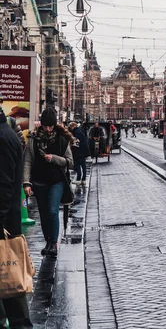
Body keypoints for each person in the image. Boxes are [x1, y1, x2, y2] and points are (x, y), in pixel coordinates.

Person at [23, 108, 74, 257]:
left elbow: (70, 162)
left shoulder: (62, 140)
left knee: (52, 210)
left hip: (56, 181)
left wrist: (54, 158)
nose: (48, 129)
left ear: (54, 125)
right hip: (39, 182)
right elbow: (27, 161)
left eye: (50, 126)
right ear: (41, 124)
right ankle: (48, 242)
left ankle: (54, 243)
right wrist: (26, 182)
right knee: (44, 214)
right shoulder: (33, 140)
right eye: (45, 126)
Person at [0, 106, 33, 328]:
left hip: (4, 228)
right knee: (10, 286)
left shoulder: (2, 139)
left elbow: (3, 188)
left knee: (11, 284)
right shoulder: (6, 134)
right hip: (7, 225)